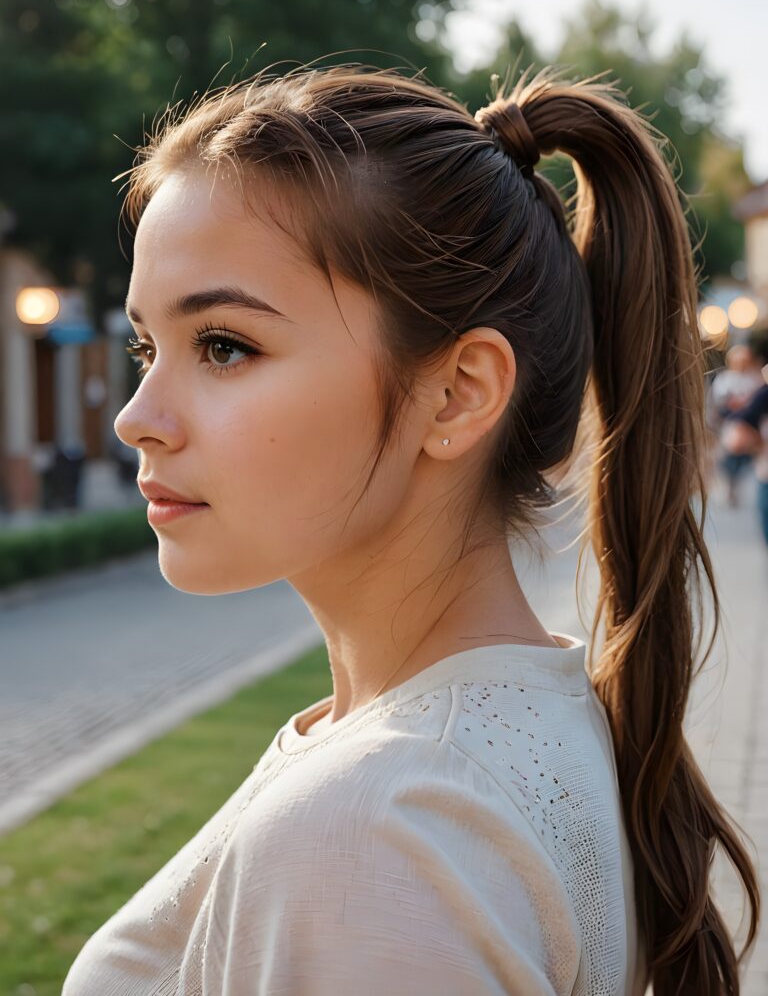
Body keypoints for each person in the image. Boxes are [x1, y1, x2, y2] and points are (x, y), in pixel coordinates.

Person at [62, 61, 759, 995]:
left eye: (225, 346)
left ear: (459, 393)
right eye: (147, 347)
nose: (136, 418)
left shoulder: (375, 834)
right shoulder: (523, 729)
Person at [709, 343, 765, 506]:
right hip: (730, 425)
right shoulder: (724, 380)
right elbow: (718, 406)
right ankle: (729, 482)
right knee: (730, 454)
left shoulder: (755, 379)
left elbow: (758, 406)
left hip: (752, 427)